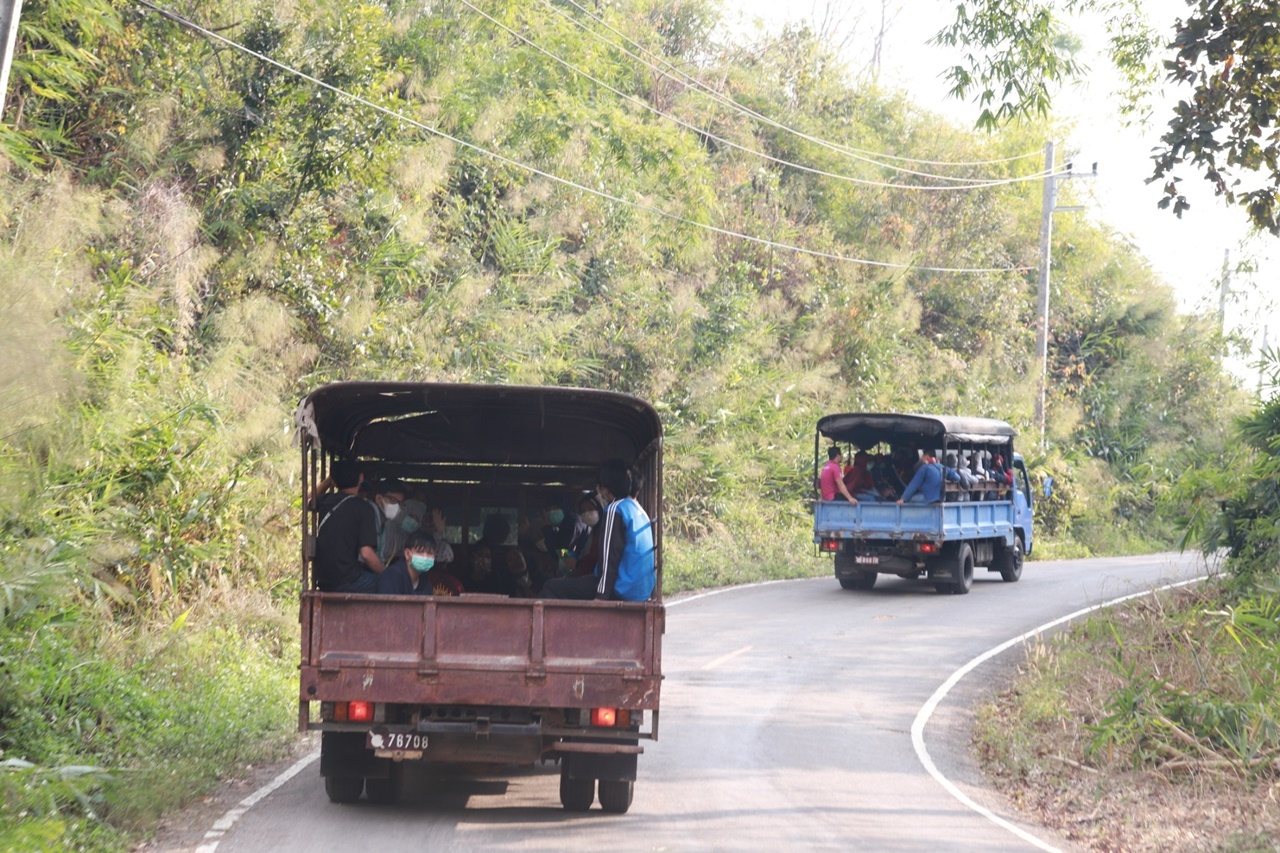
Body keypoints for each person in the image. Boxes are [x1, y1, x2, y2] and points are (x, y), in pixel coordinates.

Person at [542, 459, 656, 602]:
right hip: (641, 592)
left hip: (620, 590)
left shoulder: (615, 509)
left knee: (551, 586)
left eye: (600, 487)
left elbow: (610, 558)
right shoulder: (639, 510)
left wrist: (601, 597)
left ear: (606, 488)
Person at [313, 460, 384, 592]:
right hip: (349, 581)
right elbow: (367, 554)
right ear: (361, 477)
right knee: (391, 583)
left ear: (334, 482)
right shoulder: (364, 507)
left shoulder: (326, 500)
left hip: (324, 581)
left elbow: (308, 499)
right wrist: (386, 573)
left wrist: (329, 480)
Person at [376, 531, 439, 596]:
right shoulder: (391, 577)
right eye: (419, 552)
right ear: (407, 554)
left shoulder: (424, 579)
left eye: (429, 553)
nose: (425, 557)